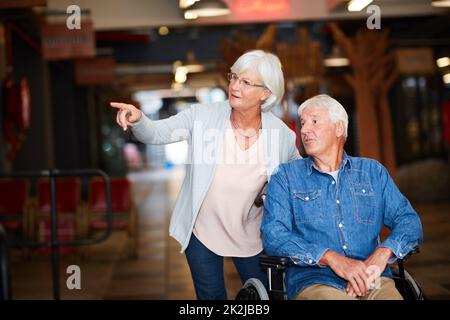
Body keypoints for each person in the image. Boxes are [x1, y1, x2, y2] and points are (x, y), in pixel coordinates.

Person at [111, 50, 300, 299]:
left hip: (253, 232)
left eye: (245, 82)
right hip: (202, 230)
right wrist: (139, 120)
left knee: (266, 297)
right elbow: (158, 133)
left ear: (266, 93)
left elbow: (298, 177)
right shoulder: (203, 116)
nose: (234, 86)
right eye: (234, 77)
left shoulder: (281, 134)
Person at [261, 94, 423, 300]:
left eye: (314, 122)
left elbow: (409, 221)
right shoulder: (286, 176)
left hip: (373, 279)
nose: (304, 130)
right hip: (315, 280)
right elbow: (273, 234)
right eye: (302, 123)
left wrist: (383, 254)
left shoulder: (372, 172)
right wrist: (331, 258)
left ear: (339, 128)